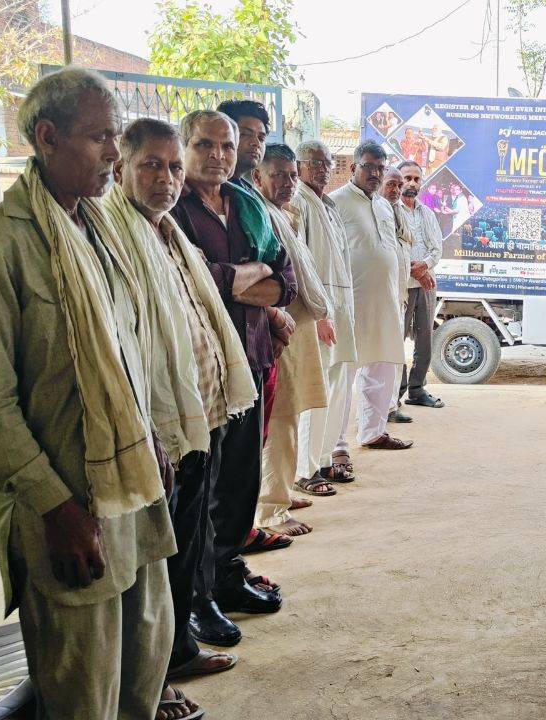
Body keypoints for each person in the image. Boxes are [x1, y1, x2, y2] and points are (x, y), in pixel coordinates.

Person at [0, 67, 177, 719]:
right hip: (69, 517)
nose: (114, 153)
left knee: (142, 678)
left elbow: (127, 353)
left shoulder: (102, 232)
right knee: (83, 696)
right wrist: (56, 510)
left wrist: (152, 434)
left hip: (132, 499)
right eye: (101, 137)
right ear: (47, 138)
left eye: (116, 136)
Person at [111, 117, 261, 709]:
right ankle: (156, 676)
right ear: (121, 165)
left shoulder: (164, 228)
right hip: (160, 427)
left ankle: (177, 650)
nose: (166, 178)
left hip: (201, 408)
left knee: (189, 534)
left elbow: (266, 283)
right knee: (158, 552)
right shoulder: (115, 234)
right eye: (152, 164)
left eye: (173, 167)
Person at [170, 109, 296, 647]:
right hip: (203, 370)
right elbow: (197, 280)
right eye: (206, 145)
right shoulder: (171, 209)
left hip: (253, 355)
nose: (218, 155)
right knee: (202, 487)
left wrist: (244, 281)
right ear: (185, 146)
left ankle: (226, 575)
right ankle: (196, 600)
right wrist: (248, 276)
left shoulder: (246, 203)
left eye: (227, 146)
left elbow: (284, 280)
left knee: (243, 479)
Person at [253, 143, 333, 535]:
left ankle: (281, 492)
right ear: (258, 177)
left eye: (291, 176)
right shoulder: (259, 214)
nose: (288, 183)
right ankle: (270, 509)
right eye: (278, 175)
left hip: (297, 323)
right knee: (280, 416)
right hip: (279, 328)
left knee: (293, 410)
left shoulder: (285, 214)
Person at [329, 142, 414, 450]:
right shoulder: (335, 203)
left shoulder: (384, 205)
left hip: (386, 302)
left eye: (381, 168)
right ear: (353, 168)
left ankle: (373, 431)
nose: (376, 174)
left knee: (382, 368)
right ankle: (336, 444)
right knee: (343, 374)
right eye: (369, 167)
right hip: (350, 304)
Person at [292, 140, 362, 489]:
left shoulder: (328, 204)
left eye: (327, 162)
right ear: (300, 166)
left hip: (342, 306)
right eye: (315, 162)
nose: (322, 168)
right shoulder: (298, 202)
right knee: (316, 388)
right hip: (318, 309)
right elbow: (300, 266)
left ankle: (322, 460)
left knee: (339, 385)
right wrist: (318, 313)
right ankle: (304, 470)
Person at [395, 160, 445, 409]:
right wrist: (414, 270)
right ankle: (396, 391)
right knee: (396, 338)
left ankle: (417, 389)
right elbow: (393, 248)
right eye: (407, 178)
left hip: (426, 283)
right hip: (402, 285)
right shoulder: (391, 210)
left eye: (416, 179)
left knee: (425, 338)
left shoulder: (427, 213)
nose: (411, 183)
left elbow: (437, 248)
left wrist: (423, 267)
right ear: (398, 180)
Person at [380, 166, 418, 425]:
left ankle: (391, 405)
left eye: (397, 185)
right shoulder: (377, 209)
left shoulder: (399, 212)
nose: (395, 190)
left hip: (399, 292)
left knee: (395, 355)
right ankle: (380, 411)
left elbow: (409, 242)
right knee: (379, 359)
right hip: (382, 294)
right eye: (391, 184)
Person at [217, 98, 271, 189]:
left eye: (261, 138)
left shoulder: (246, 188)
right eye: (245, 134)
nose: (256, 143)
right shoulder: (214, 190)